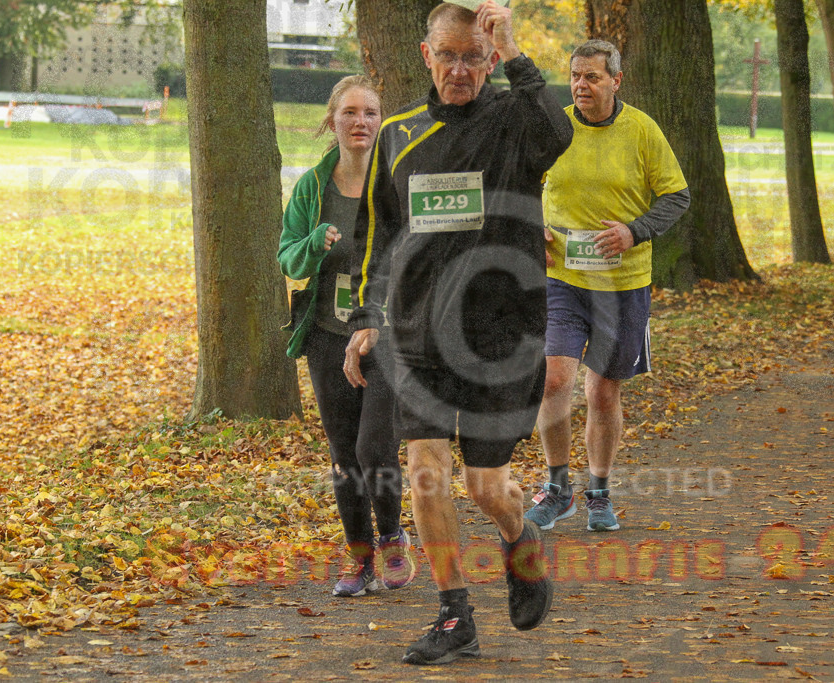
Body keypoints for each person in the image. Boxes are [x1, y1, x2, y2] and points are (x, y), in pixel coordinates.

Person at [342, 0, 573, 666]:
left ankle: (517, 531)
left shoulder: (513, 120)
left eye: (475, 57)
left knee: (482, 484)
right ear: (426, 55)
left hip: (503, 339)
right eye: (448, 55)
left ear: (491, 58)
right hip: (419, 340)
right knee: (422, 474)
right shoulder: (397, 133)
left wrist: (517, 50)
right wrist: (365, 317)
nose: (460, 70)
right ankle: (454, 616)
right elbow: (377, 235)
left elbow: (557, 134)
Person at [526, 39, 690, 532]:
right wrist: (533, 224)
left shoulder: (642, 130)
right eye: (576, 76)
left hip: (622, 284)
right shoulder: (554, 127)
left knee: (602, 392)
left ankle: (599, 489)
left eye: (593, 77)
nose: (581, 85)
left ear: (616, 80)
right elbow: (518, 181)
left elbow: (675, 196)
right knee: (554, 380)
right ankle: (557, 489)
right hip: (562, 278)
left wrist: (632, 231)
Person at [278, 75, 415, 598]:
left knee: (375, 446)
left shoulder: (398, 180)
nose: (361, 122)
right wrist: (314, 243)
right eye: (350, 113)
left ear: (382, 122)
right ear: (332, 121)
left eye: (370, 113)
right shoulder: (313, 187)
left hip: (386, 334)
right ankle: (358, 560)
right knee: (343, 453)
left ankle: (392, 538)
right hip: (329, 335)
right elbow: (287, 256)